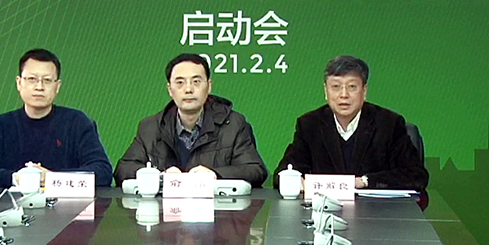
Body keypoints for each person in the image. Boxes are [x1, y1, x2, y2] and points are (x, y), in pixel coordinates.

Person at [0, 48, 112, 188]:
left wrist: (51, 179)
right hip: (10, 207)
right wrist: (16, 178)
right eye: (32, 79)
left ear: (57, 86)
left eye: (47, 80)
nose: (39, 87)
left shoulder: (76, 122)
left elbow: (103, 172)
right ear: (19, 83)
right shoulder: (0, 126)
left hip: (65, 207)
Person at [273, 56, 428, 190]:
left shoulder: (389, 124)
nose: (344, 95)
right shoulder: (310, 125)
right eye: (336, 87)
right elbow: (283, 174)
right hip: (324, 211)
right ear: (326, 91)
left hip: (376, 211)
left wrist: (364, 181)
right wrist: (298, 182)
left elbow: (416, 176)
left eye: (352, 87)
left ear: (364, 91)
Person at [114, 54, 268, 187]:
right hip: (164, 210)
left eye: (196, 82)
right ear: (170, 89)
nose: (188, 89)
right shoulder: (151, 127)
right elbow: (123, 170)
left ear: (209, 86)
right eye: (180, 83)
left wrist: (215, 175)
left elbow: (255, 170)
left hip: (217, 209)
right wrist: (159, 176)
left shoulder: (233, 124)